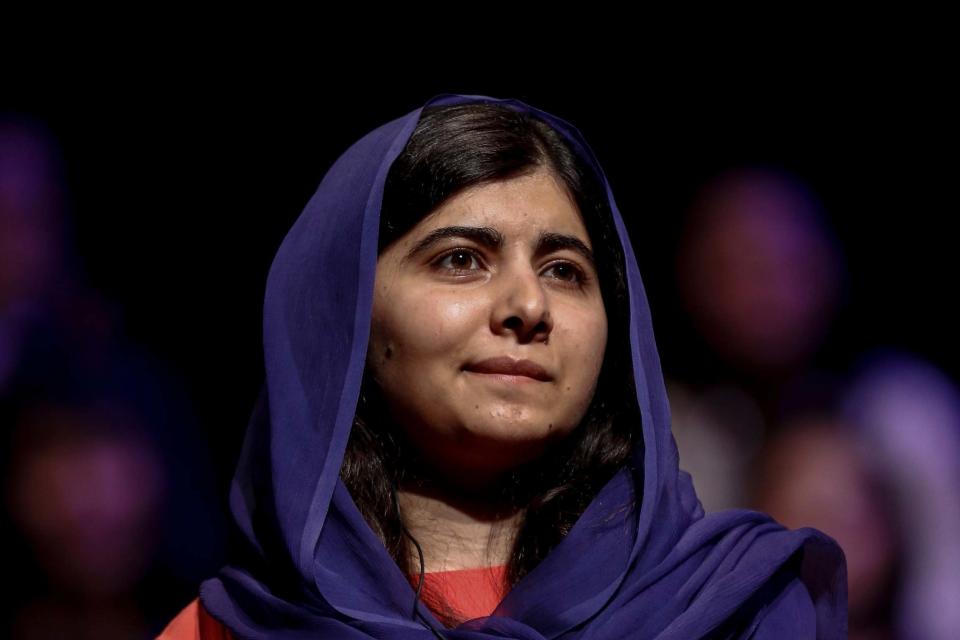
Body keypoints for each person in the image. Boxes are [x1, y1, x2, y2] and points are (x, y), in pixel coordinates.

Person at [158, 93, 847, 639]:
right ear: (347, 316)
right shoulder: (234, 631)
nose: (528, 304)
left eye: (564, 270)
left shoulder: (731, 609)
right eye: (461, 259)